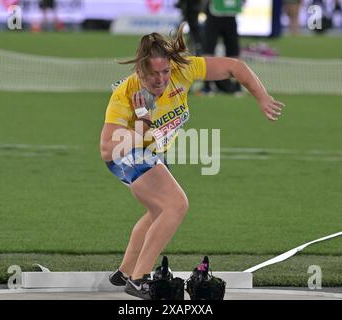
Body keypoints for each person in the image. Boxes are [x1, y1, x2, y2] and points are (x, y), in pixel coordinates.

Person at [100, 23, 284, 300]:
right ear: (140, 71)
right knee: (176, 205)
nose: (161, 79)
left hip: (151, 153)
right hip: (125, 153)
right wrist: (141, 123)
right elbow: (107, 146)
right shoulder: (127, 94)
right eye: (153, 74)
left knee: (158, 212)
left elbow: (235, 67)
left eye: (165, 71)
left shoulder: (183, 70)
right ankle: (139, 280)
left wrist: (262, 97)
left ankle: (125, 273)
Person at [201, 0, 244, 95]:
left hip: (218, 12)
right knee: (233, 52)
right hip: (229, 12)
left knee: (209, 50)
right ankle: (236, 86)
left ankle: (207, 86)